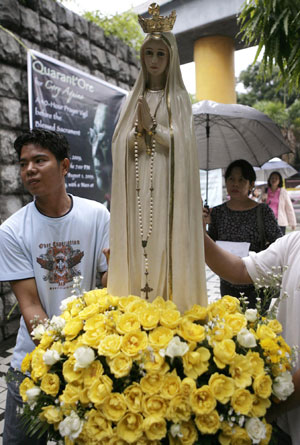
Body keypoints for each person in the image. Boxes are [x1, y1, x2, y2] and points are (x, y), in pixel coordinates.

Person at [0, 129, 110, 444]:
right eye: (23, 164)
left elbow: (107, 287)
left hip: (91, 356)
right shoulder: (11, 231)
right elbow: (30, 305)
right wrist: (59, 355)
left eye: (39, 160)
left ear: (64, 166)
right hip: (33, 359)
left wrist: (115, 268)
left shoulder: (97, 215)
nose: (29, 170)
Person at [107, 4, 207, 313]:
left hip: (166, 186)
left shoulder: (177, 98)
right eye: (148, 53)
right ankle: (136, 307)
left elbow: (184, 143)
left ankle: (168, 304)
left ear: (171, 57)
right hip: (136, 186)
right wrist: (134, 133)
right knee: (138, 245)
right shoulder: (130, 100)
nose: (153, 60)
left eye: (160, 54)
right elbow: (117, 142)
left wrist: (154, 128)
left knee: (164, 242)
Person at [204, 229, 300, 445]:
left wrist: (260, 411)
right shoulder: (295, 242)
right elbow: (240, 270)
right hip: (284, 418)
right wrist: (198, 234)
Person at [203, 159, 282, 308]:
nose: (235, 184)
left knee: (256, 327)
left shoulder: (263, 212)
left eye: (241, 180)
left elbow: (278, 244)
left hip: (256, 282)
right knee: (229, 326)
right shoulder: (218, 212)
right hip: (227, 280)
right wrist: (203, 225)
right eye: (231, 179)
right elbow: (210, 245)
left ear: (251, 184)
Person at [263, 170, 296, 235]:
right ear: (269, 179)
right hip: (267, 222)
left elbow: (289, 208)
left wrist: (293, 223)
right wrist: (262, 200)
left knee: (280, 242)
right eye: (272, 178)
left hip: (280, 222)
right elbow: (259, 205)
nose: (274, 180)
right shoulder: (265, 190)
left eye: (276, 178)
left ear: (279, 181)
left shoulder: (283, 192)